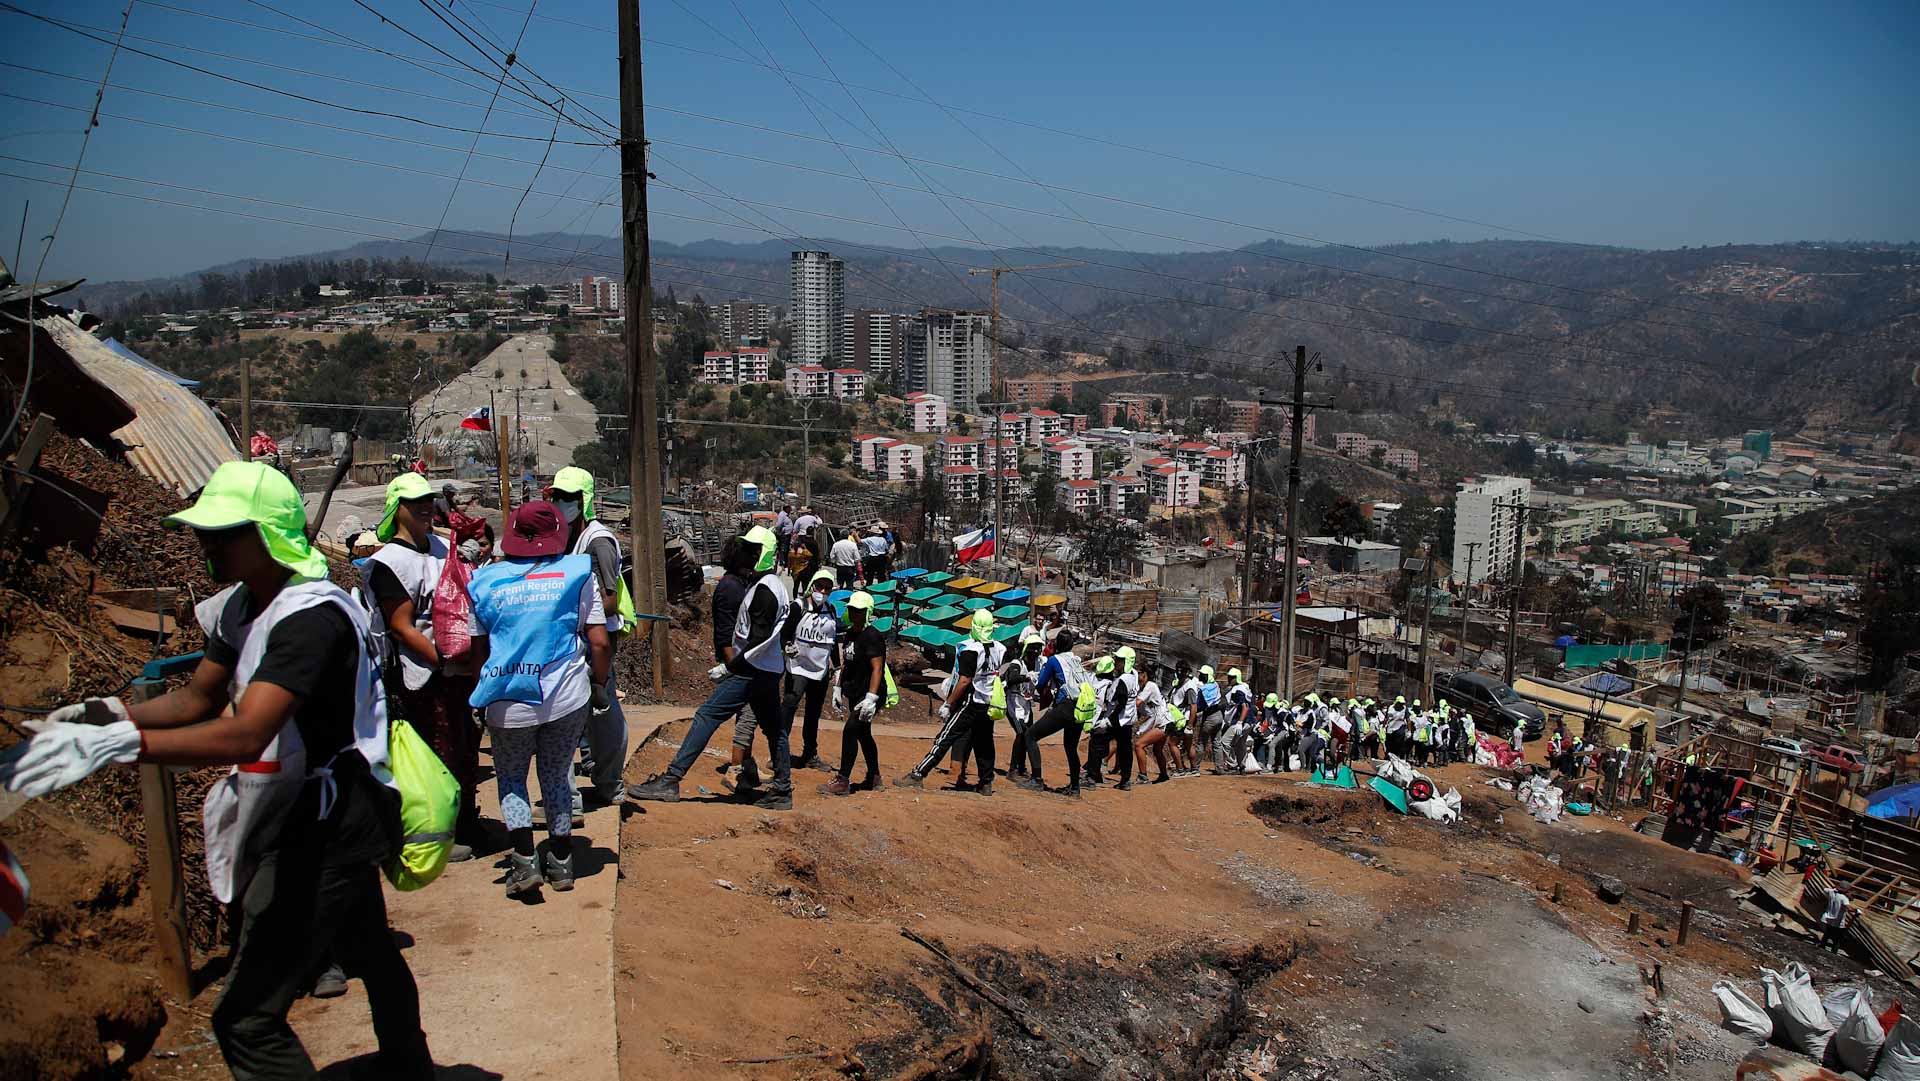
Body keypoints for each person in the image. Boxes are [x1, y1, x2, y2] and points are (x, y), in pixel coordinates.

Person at [1, 461, 434, 1079]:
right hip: (311, 809)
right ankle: (411, 1063)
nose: (208, 545)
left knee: (246, 1020)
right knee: (369, 946)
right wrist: (107, 714)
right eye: (205, 531)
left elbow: (246, 728)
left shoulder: (310, 619)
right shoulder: (243, 606)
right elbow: (201, 697)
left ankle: (407, 1061)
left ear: (269, 536)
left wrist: (126, 744)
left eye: (225, 533)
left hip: (327, 820)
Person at [465, 502, 613, 896]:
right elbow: (598, 641)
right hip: (565, 696)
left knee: (512, 777)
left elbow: (478, 652)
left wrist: (483, 693)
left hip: (507, 699)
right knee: (556, 773)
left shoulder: (482, 579)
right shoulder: (577, 574)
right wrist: (597, 684)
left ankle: (524, 860)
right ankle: (562, 863)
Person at [627, 526, 793, 809]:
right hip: (767, 668)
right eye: (748, 549)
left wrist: (731, 668)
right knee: (774, 728)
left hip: (751, 670)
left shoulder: (765, 590)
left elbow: (759, 639)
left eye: (755, 550)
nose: (749, 555)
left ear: (765, 554)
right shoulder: (772, 586)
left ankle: (671, 779)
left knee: (706, 716)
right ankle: (782, 790)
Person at [364, 472, 483, 860]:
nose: (424, 509)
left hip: (458, 670)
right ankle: (438, 833)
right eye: (414, 503)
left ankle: (468, 820)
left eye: (428, 501)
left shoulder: (441, 548)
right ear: (396, 509)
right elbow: (401, 626)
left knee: (465, 747)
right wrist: (444, 661)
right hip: (422, 674)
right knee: (436, 752)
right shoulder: (389, 563)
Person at [547, 467, 632, 811]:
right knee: (572, 714)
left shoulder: (597, 541)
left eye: (569, 498)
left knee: (602, 712)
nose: (562, 503)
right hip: (572, 636)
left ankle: (608, 784)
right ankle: (589, 786)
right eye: (557, 497)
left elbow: (609, 596)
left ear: (585, 501)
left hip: (596, 637)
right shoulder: (565, 536)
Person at [896, 610, 1005, 794]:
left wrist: (948, 703)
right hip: (987, 702)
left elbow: (964, 681)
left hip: (970, 701)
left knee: (945, 737)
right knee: (985, 743)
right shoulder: (1000, 649)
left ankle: (918, 774)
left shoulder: (971, 650)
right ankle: (986, 783)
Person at [820, 591, 885, 797]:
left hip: (870, 694)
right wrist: (837, 688)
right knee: (864, 734)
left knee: (850, 730)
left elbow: (877, 669)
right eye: (852, 610)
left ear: (867, 613)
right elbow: (846, 663)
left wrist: (871, 698)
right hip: (855, 692)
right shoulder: (850, 634)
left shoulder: (872, 637)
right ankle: (875, 777)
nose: (854, 613)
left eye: (859, 611)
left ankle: (843, 779)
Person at [782, 568, 842, 772]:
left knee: (813, 713)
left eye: (827, 588)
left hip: (820, 670)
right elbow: (785, 632)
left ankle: (810, 753)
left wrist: (837, 668)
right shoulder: (798, 607)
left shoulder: (831, 610)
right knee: (789, 706)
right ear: (812, 587)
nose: (823, 591)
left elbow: (831, 642)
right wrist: (787, 646)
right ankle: (779, 753)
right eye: (820, 587)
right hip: (798, 667)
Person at [1023, 630, 1090, 795]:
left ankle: (1037, 779)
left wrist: (1034, 678)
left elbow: (1040, 683)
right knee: (1071, 747)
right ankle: (1075, 787)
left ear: (1056, 645)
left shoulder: (1054, 660)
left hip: (1065, 706)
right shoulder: (1076, 661)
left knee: (1030, 735)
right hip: (1080, 708)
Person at [1089, 645, 1140, 790]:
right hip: (1128, 719)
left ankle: (1091, 776)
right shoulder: (1133, 676)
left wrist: (1108, 719)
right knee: (1125, 749)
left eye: (1119, 660)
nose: (1116, 662)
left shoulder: (1123, 680)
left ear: (1126, 662)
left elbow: (1121, 703)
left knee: (1097, 741)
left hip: (1118, 719)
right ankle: (1125, 780)